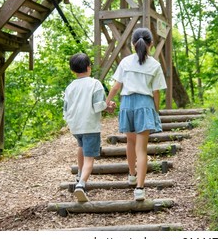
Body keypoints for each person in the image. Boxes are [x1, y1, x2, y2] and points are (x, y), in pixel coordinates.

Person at [106, 27, 167, 201]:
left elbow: (116, 86)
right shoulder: (155, 65)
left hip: (127, 104)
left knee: (130, 143)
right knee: (142, 149)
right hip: (145, 104)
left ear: (133, 44)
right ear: (151, 44)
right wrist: (155, 110)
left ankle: (132, 174)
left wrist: (106, 102)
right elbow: (156, 92)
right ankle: (139, 189)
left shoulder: (125, 62)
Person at [63, 53, 115, 202]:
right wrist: (109, 107)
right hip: (90, 125)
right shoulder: (94, 83)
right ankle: (81, 185)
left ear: (73, 70)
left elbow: (66, 109)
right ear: (88, 67)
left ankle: (79, 175)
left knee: (81, 146)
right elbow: (98, 105)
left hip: (75, 125)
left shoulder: (70, 87)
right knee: (89, 158)